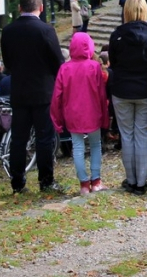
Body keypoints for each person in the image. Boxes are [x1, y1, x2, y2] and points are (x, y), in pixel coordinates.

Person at [1, 0, 64, 193]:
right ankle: (46, 181)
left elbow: (8, 63)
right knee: (44, 137)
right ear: (41, 8)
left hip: (19, 91)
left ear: (20, 8)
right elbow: (58, 62)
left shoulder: (8, 31)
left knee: (18, 138)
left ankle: (17, 182)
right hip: (43, 92)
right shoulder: (46, 30)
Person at [108, 0, 147, 194]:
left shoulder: (117, 35)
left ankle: (131, 180)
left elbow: (113, 63)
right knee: (142, 135)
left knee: (127, 135)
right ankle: (141, 182)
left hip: (122, 90)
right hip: (146, 90)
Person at [50, 32, 108, 196]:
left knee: (77, 147)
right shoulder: (94, 67)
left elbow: (57, 96)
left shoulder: (65, 68)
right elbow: (101, 93)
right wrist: (104, 114)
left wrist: (57, 119)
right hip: (93, 111)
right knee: (95, 145)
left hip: (73, 113)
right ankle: (96, 181)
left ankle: (83, 183)